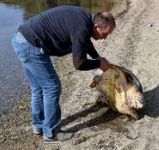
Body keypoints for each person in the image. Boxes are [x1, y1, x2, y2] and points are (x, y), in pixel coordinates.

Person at [11, 6, 116, 143]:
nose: (105, 38)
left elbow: (85, 41)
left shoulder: (85, 18)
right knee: (52, 87)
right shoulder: (82, 27)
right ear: (96, 26)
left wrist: (97, 58)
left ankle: (38, 127)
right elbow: (78, 64)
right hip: (32, 46)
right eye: (105, 34)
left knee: (38, 88)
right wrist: (99, 64)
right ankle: (51, 133)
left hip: (22, 39)